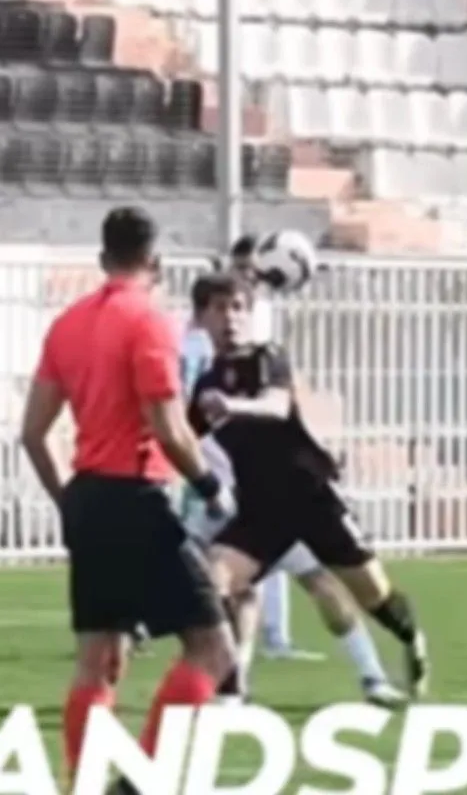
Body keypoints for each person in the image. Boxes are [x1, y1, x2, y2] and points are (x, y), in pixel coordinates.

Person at [18, 207, 236, 783]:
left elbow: (32, 433)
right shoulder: (148, 322)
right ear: (155, 263)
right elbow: (168, 426)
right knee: (213, 649)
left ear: (102, 259)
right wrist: (210, 486)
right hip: (137, 497)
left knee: (99, 659)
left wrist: (68, 500)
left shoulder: (68, 324)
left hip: (89, 498)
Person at [187, 273, 430, 699]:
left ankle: (411, 638)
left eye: (238, 308)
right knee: (215, 579)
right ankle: (230, 691)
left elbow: (278, 406)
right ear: (201, 317)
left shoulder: (268, 357)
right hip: (261, 511)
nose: (230, 318)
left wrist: (233, 406)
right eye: (219, 308)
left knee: (375, 597)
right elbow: (182, 439)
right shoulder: (204, 386)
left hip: (311, 497)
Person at [218, 234, 318, 661]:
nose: (250, 276)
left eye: (254, 269)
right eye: (243, 268)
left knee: (268, 548)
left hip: (261, 449)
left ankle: (272, 638)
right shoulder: (225, 318)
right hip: (223, 449)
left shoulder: (264, 315)